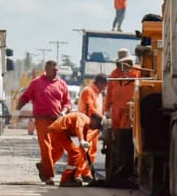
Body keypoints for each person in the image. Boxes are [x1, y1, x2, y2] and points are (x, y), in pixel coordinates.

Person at [16, 60, 72, 184]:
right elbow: (25, 97)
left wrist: (63, 112)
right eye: (53, 69)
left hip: (57, 120)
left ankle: (43, 165)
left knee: (59, 148)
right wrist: (16, 111)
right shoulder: (36, 83)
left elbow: (67, 103)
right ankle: (48, 176)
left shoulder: (62, 84)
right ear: (46, 70)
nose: (56, 72)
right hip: (41, 120)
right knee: (46, 147)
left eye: (57, 70)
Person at [104, 51, 140, 186]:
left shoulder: (137, 73)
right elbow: (109, 93)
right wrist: (106, 110)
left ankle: (126, 166)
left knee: (125, 137)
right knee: (116, 137)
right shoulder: (115, 74)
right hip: (116, 112)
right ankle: (117, 163)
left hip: (130, 111)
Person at [46, 111, 101, 186]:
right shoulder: (84, 119)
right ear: (93, 120)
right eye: (97, 125)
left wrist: (84, 147)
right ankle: (66, 180)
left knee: (59, 152)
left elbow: (84, 135)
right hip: (58, 131)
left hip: (58, 131)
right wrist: (81, 141)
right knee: (74, 153)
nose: (96, 128)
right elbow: (79, 128)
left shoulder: (87, 126)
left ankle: (44, 167)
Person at [78, 74, 106, 167]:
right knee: (85, 149)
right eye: (104, 85)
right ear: (99, 83)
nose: (104, 88)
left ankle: (86, 172)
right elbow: (89, 110)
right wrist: (103, 119)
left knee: (92, 150)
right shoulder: (88, 91)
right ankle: (79, 173)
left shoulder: (99, 93)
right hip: (87, 125)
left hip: (94, 126)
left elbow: (98, 109)